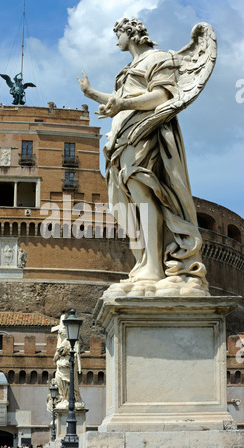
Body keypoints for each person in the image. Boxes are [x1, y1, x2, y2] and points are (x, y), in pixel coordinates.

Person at [78, 17, 216, 297]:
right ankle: (144, 263)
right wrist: (92, 94)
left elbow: (161, 96)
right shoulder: (128, 68)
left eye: (117, 34)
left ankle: (154, 266)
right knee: (128, 202)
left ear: (130, 33)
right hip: (124, 136)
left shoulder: (159, 58)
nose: (116, 40)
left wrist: (123, 104)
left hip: (146, 132)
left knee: (145, 194)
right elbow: (119, 99)